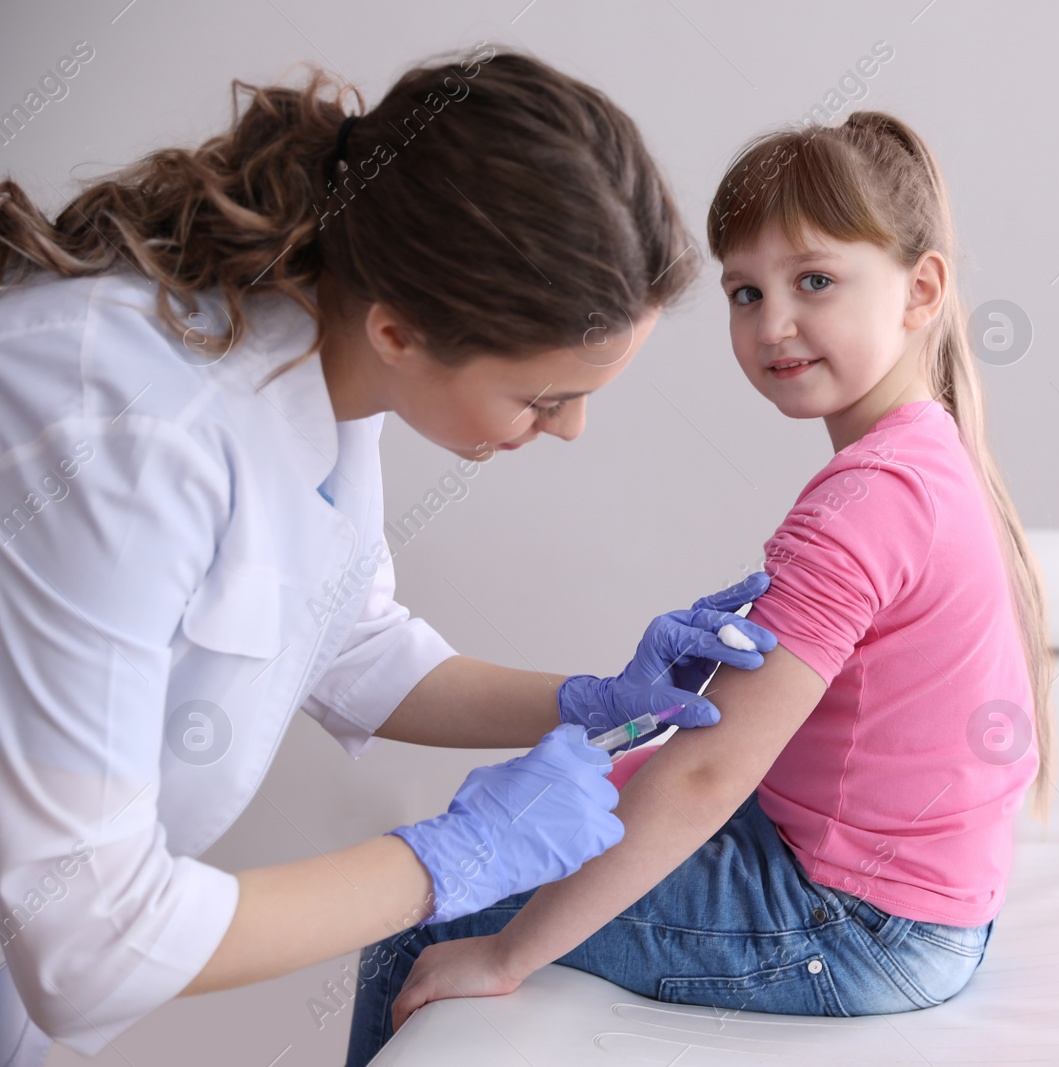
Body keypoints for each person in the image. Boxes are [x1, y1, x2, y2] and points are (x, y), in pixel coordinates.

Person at [0, 42, 778, 1067]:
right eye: (544, 397)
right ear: (402, 329)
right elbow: (90, 937)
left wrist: (590, 698)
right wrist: (451, 857)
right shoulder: (128, 431)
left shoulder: (326, 357)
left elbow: (345, 639)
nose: (571, 429)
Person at [347, 110, 1055, 1062]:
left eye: (815, 281)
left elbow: (713, 774)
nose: (775, 324)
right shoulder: (926, 458)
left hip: (853, 926)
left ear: (921, 289)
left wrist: (509, 952)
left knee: (420, 913)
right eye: (744, 291)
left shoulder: (864, 503)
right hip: (917, 904)